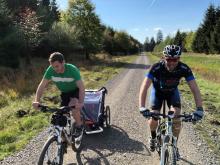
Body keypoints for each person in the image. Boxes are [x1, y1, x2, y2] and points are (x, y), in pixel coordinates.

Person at [139, 45, 204, 159]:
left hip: (172, 93)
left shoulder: (184, 68)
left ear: (179, 59)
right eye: (169, 59)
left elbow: (195, 89)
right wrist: (142, 107)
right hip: (158, 93)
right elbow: (144, 86)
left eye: (175, 59)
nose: (172, 63)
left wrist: (199, 109)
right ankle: (153, 137)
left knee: (176, 117)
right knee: (153, 117)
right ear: (164, 57)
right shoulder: (156, 67)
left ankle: (174, 146)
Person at [32, 52, 85, 138]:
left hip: (76, 91)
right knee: (60, 113)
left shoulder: (72, 69)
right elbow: (42, 85)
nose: (55, 69)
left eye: (57, 66)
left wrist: (81, 102)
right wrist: (36, 101)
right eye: (53, 67)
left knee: (73, 106)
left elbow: (81, 87)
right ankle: (63, 141)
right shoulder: (50, 70)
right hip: (65, 93)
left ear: (63, 62)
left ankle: (79, 125)